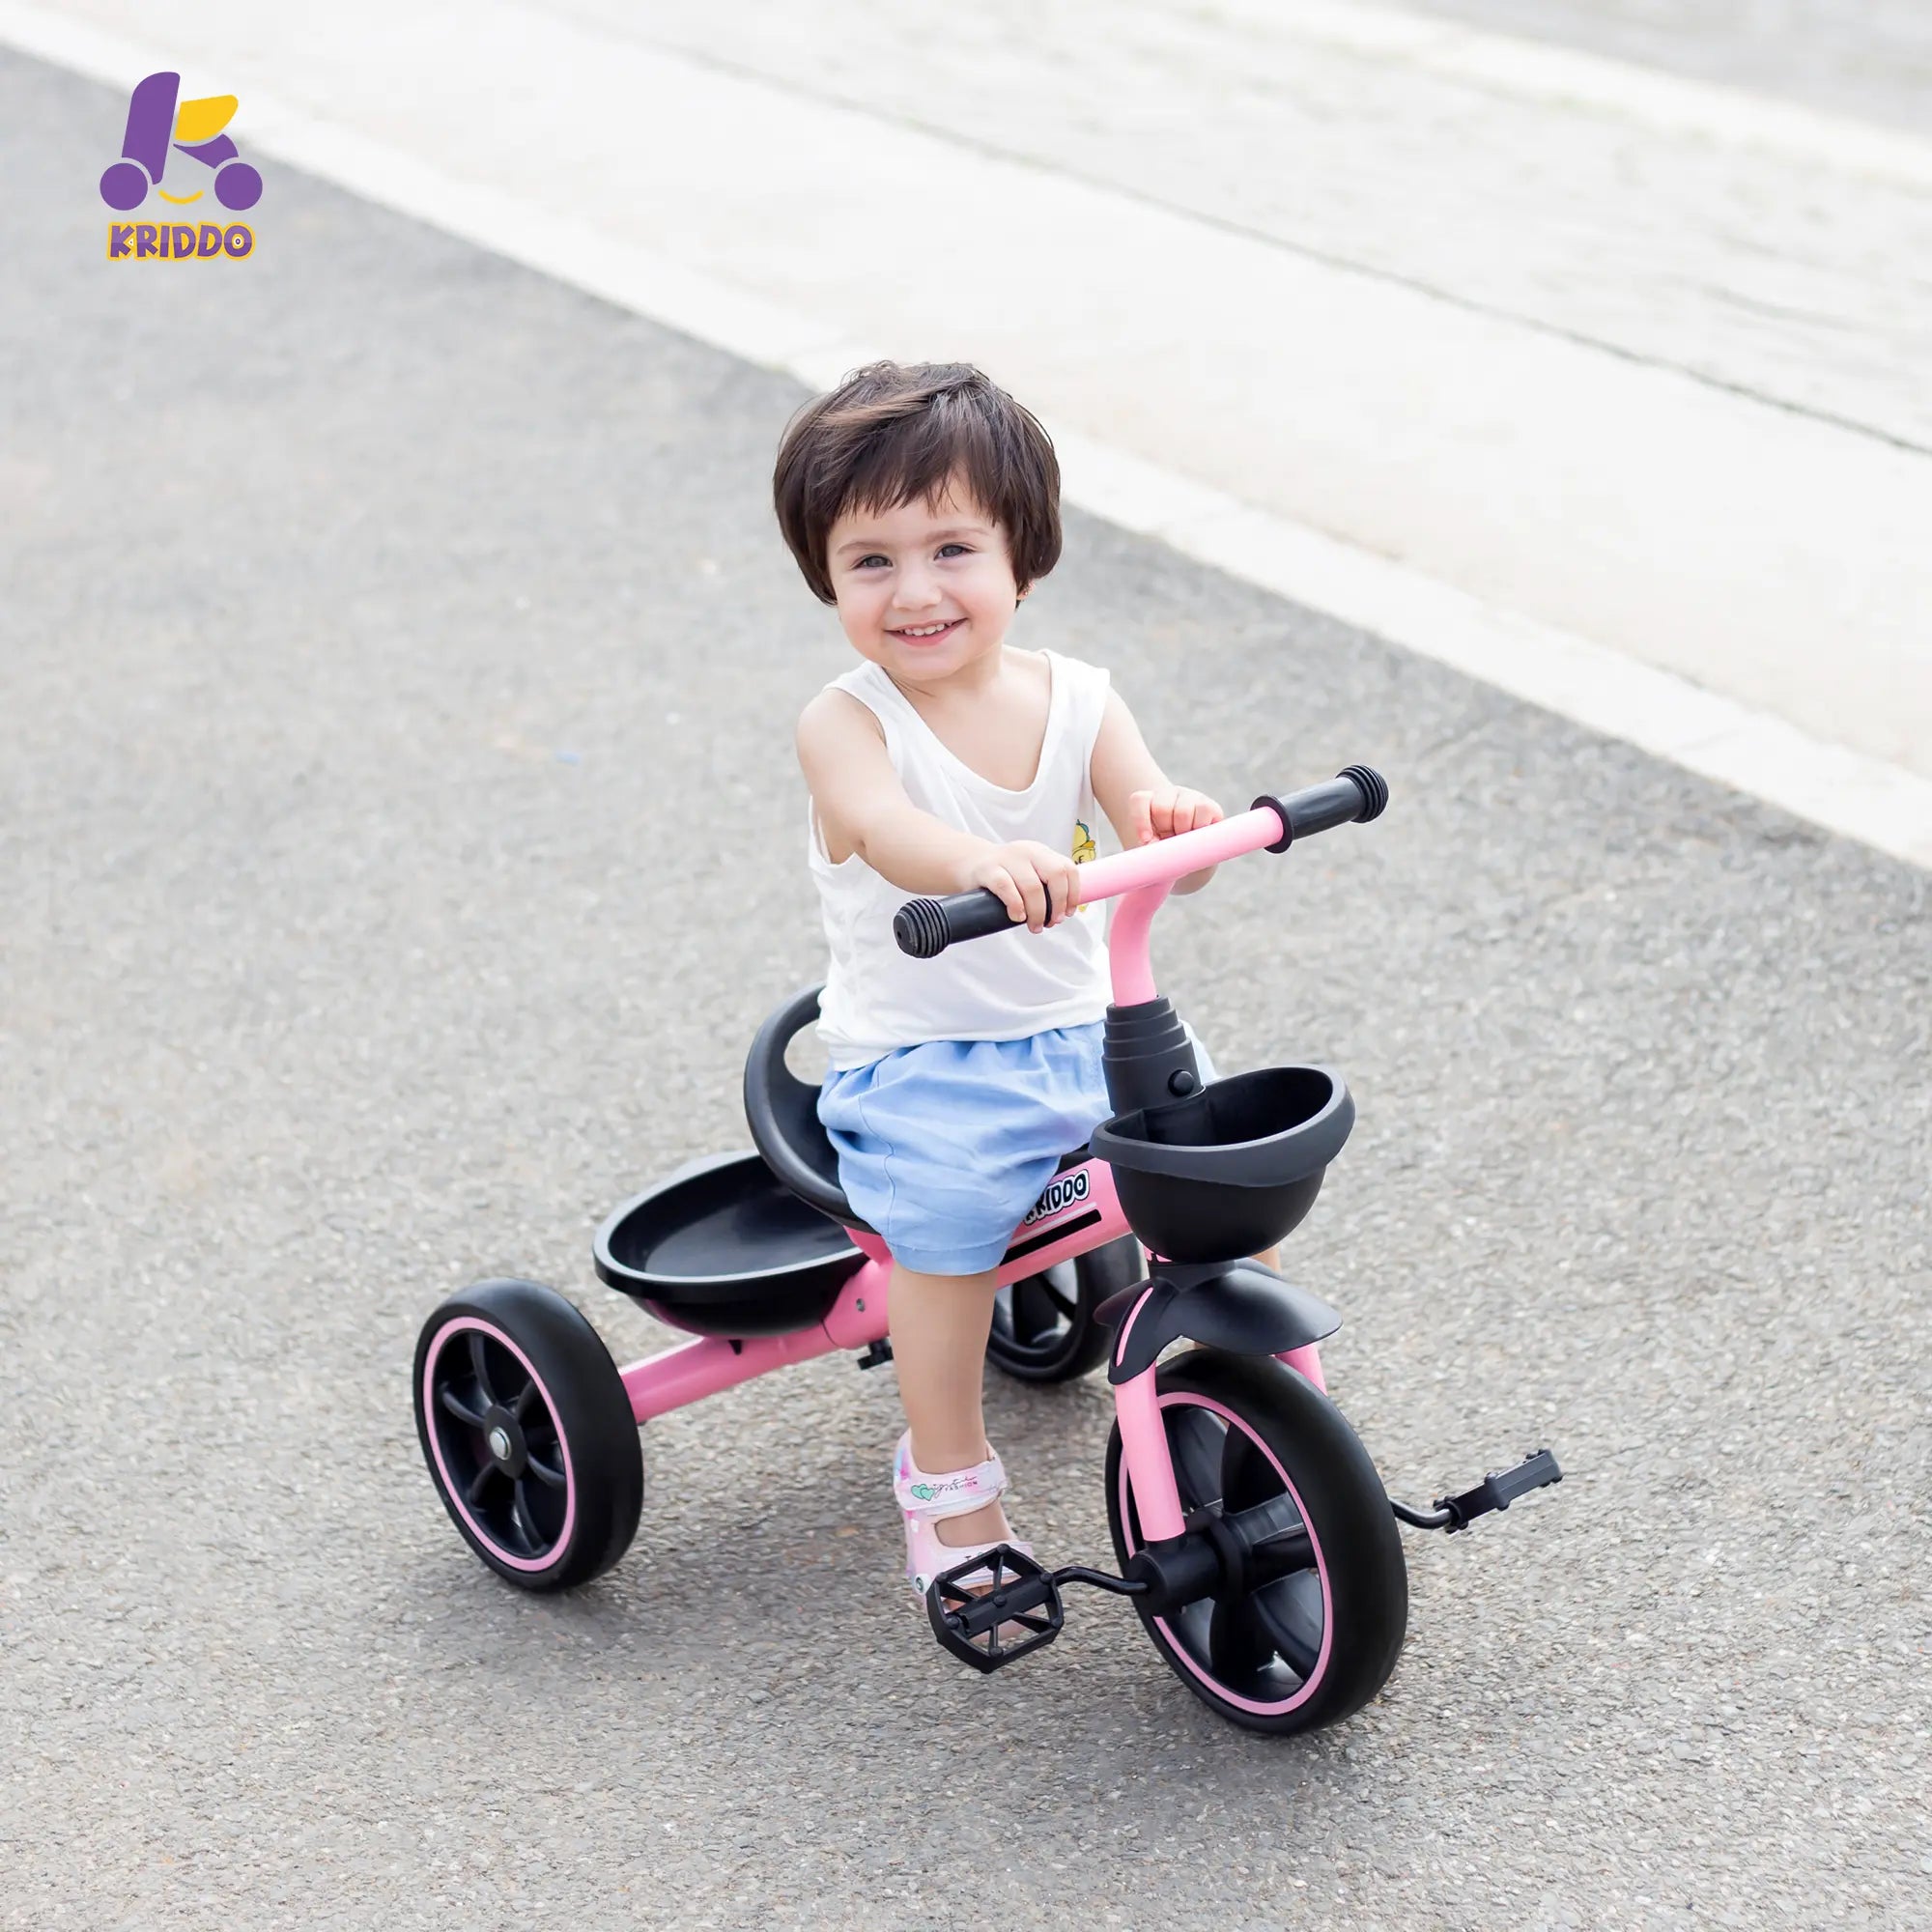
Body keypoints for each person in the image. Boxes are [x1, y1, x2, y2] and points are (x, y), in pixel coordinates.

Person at [773, 359, 1272, 1605]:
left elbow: (1164, 859)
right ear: (828, 580)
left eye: (952, 548)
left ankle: (1237, 1400)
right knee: (940, 1238)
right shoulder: (847, 723)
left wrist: (1173, 823)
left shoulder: (1081, 700)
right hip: (923, 1064)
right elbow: (886, 830)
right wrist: (978, 861)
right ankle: (947, 1475)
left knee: (1210, 1162)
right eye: (870, 562)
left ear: (1022, 560)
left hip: (1089, 1031)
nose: (916, 591)